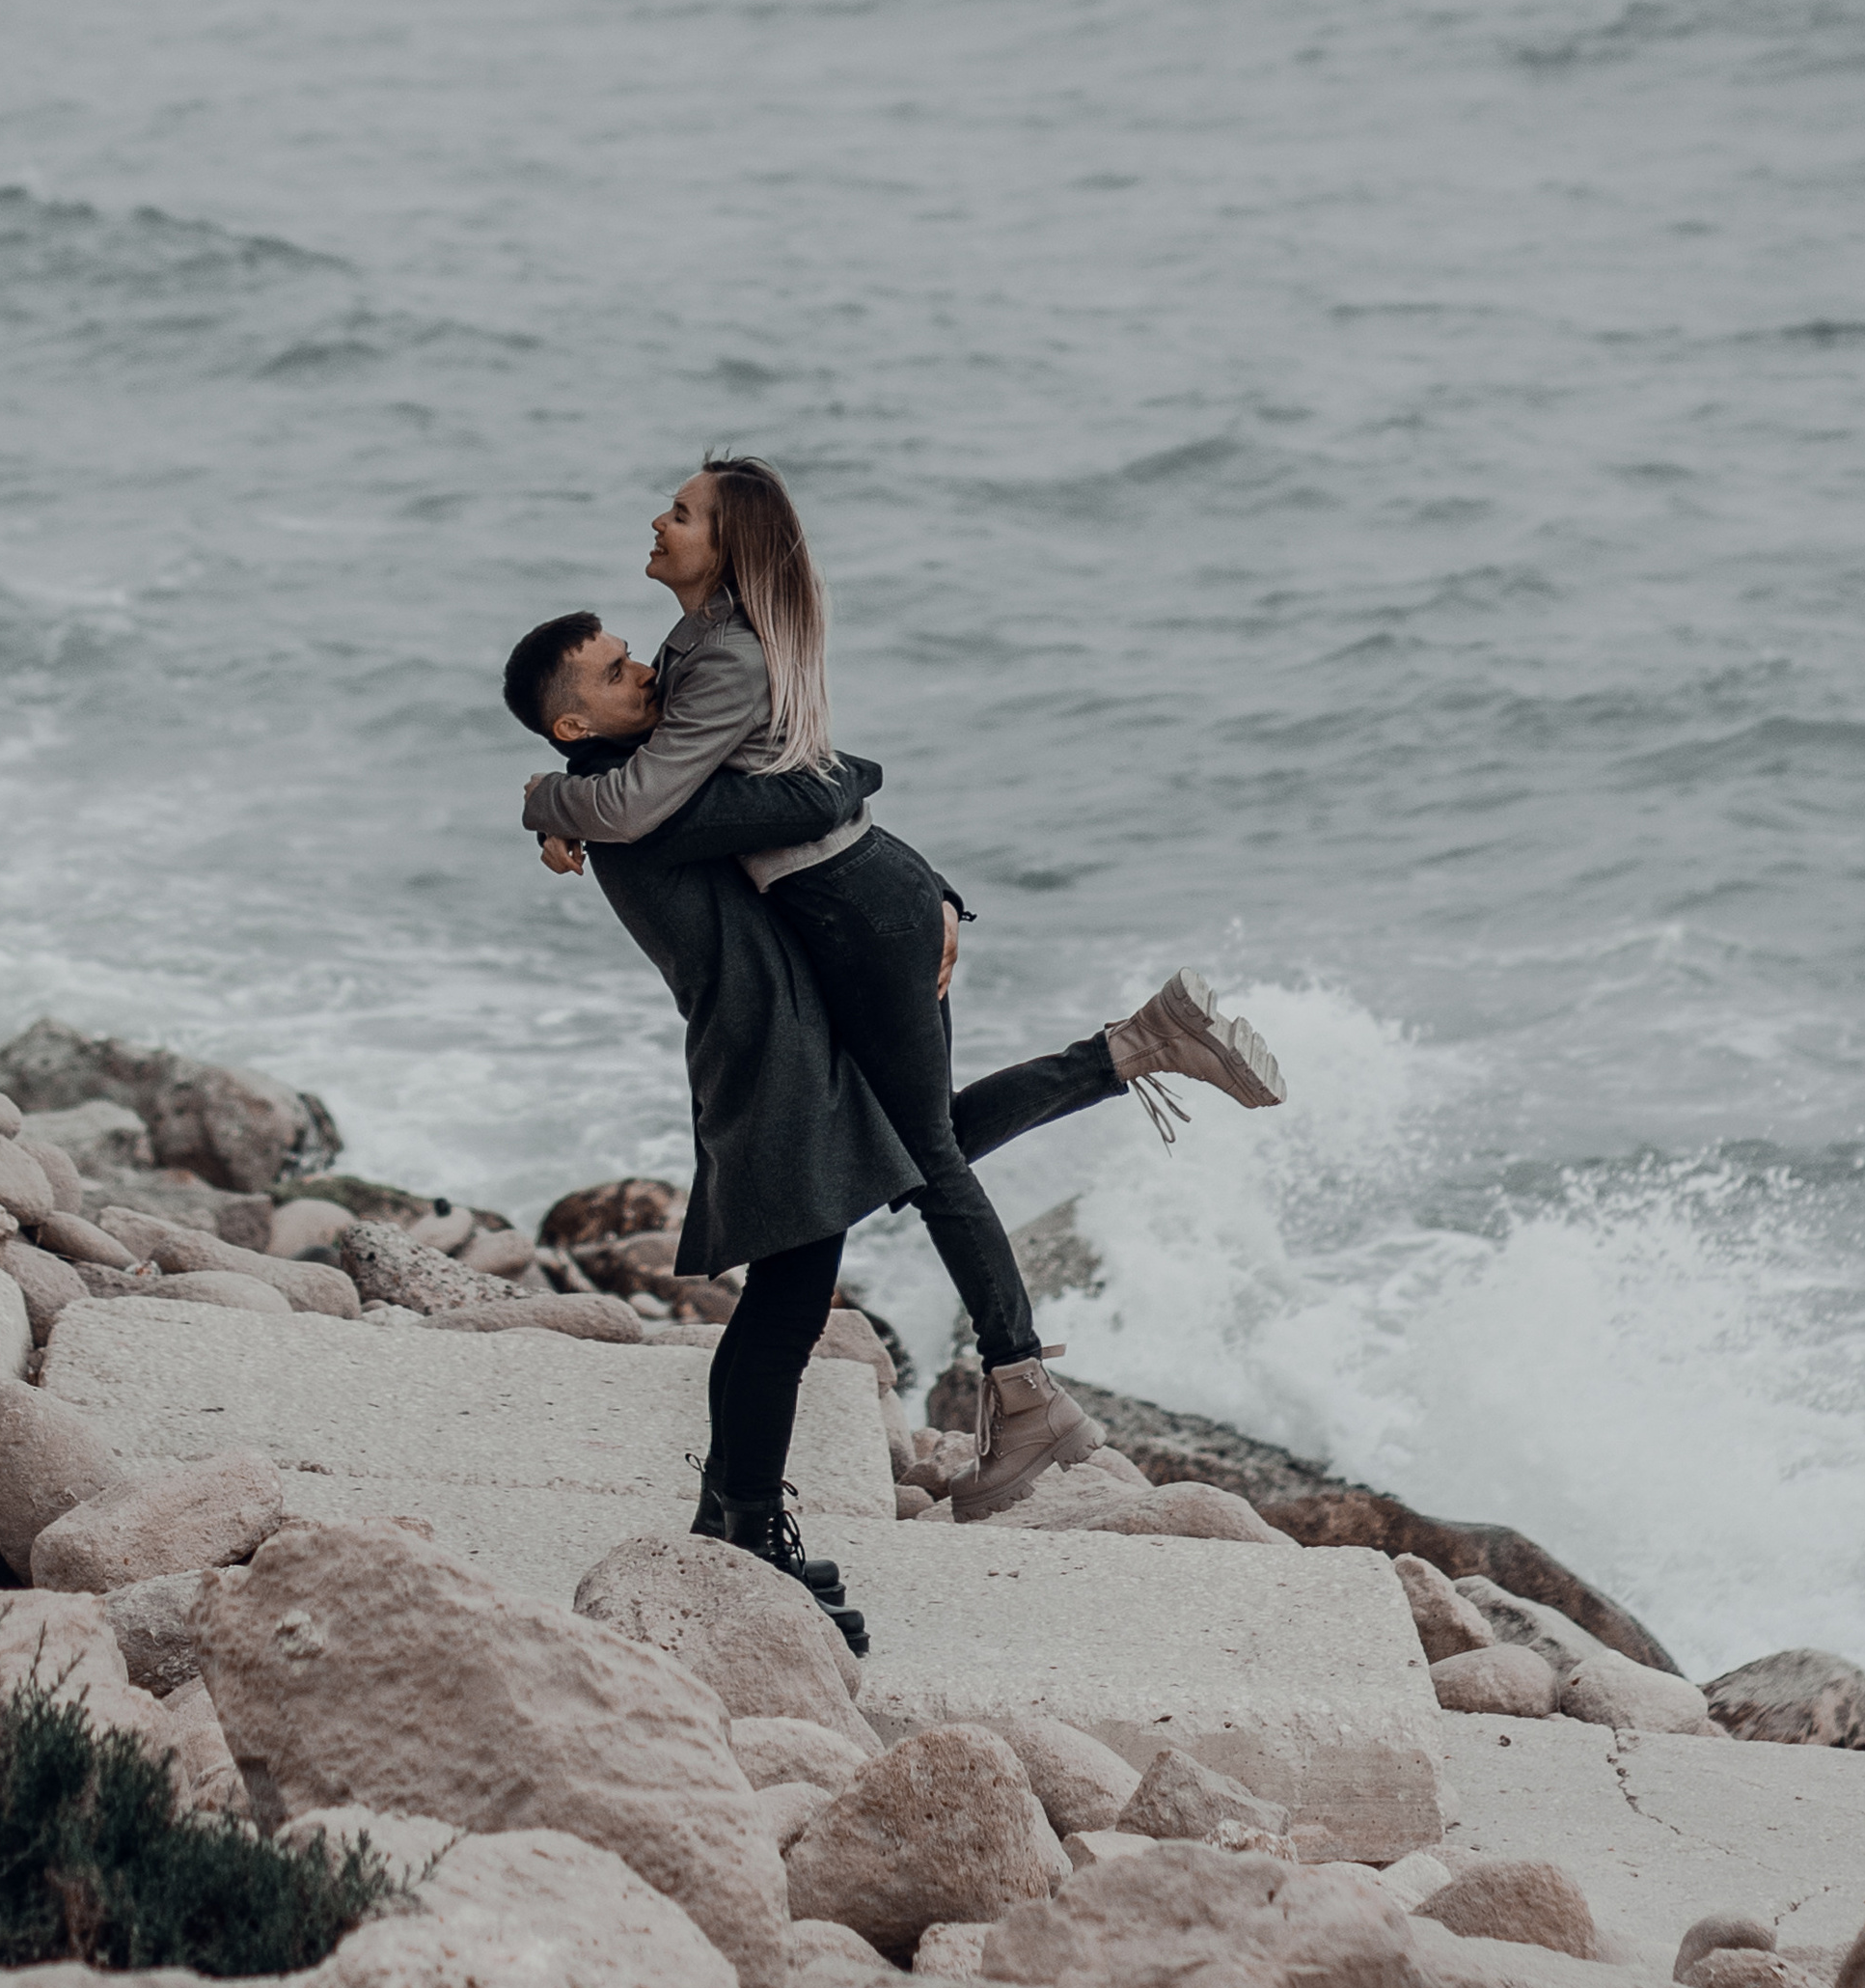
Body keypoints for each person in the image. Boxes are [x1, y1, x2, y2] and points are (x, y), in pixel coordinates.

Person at [509, 454, 1285, 1531]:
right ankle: (1132, 1053)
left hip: (858, 916)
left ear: (728, 551)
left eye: (681, 513)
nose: (657, 520)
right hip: (851, 913)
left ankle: (1025, 1392)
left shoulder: (710, 674)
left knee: (922, 1156)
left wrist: (554, 799)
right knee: (916, 1147)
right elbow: (783, 784)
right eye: (612, 672)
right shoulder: (694, 658)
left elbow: (748, 799)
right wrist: (573, 801)